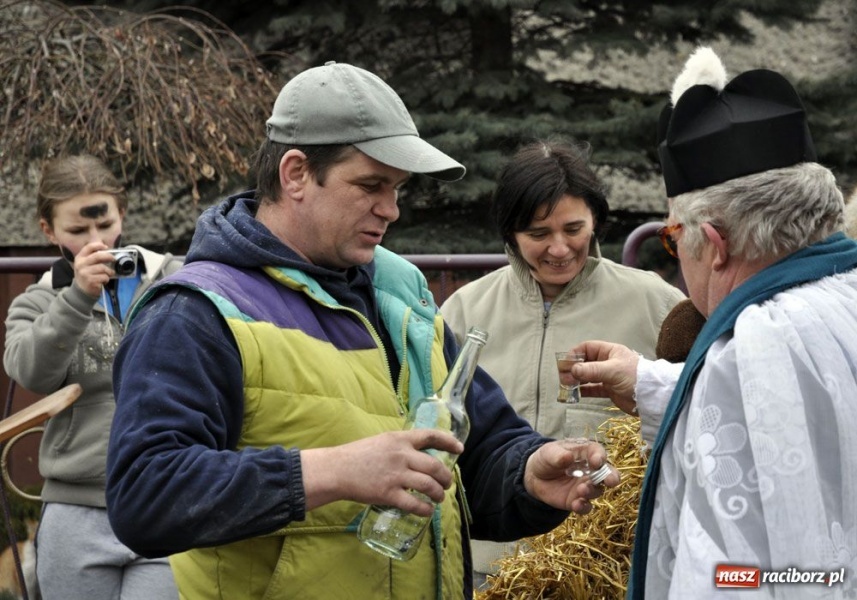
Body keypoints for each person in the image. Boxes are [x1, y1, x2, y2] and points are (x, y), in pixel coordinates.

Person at [103, 61, 620, 600]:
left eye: (397, 188)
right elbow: (144, 495)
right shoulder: (197, 311)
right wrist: (330, 472)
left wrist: (529, 473)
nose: (391, 209)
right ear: (296, 173)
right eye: (371, 184)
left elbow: (480, 449)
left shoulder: (401, 292)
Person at [569, 46, 857, 598]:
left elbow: (730, 577)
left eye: (674, 237)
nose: (677, 255)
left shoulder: (755, 344)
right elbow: (804, 407)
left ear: (717, 246)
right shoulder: (838, 298)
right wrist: (651, 382)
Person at [439, 139, 685, 585]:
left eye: (573, 229)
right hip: (485, 572)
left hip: (602, 573)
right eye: (538, 235)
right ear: (510, 233)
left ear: (596, 221)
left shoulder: (660, 305)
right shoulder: (461, 312)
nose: (558, 248)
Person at [3, 155, 181, 599]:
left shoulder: (173, 279)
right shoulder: (38, 301)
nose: (96, 241)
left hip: (164, 495)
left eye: (105, 225)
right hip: (75, 507)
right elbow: (31, 372)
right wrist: (77, 297)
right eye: (77, 231)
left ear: (122, 213)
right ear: (48, 231)